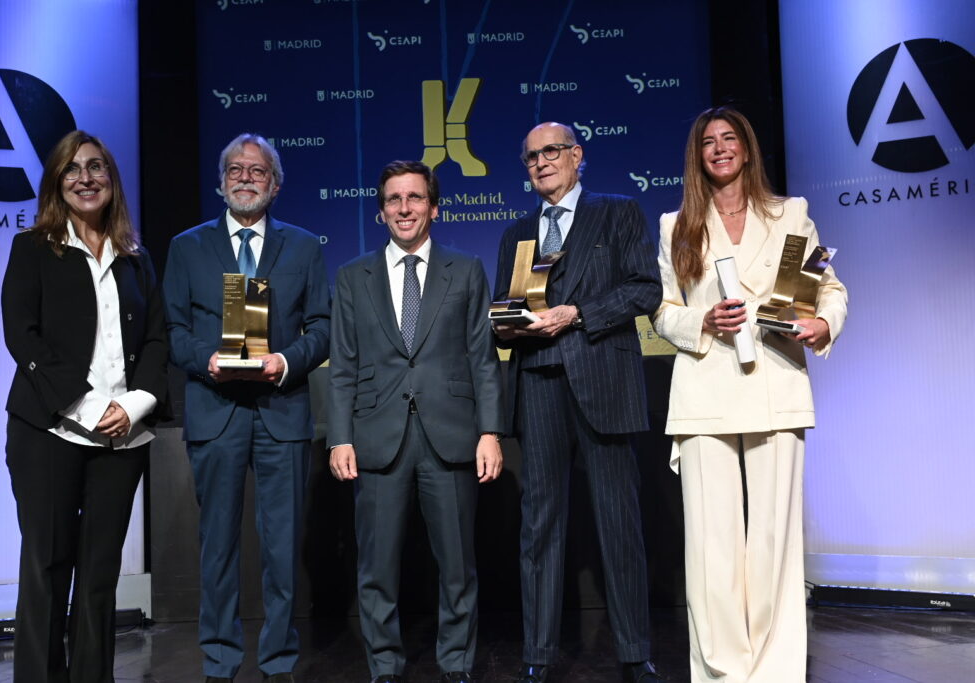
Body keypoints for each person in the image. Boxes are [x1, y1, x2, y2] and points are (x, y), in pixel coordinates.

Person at [652, 106, 848, 682]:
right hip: (706, 390)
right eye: (708, 142)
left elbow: (825, 287)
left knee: (773, 543)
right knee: (712, 548)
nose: (719, 149)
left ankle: (774, 671)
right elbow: (663, 311)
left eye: (729, 138)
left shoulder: (792, 216)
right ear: (698, 155)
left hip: (775, 383)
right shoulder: (676, 224)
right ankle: (721, 673)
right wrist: (702, 322)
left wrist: (823, 324)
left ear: (746, 147)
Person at [492, 123, 663, 683]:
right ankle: (538, 655)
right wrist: (508, 325)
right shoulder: (516, 232)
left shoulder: (618, 212)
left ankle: (635, 653)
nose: (542, 162)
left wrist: (576, 314)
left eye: (552, 152)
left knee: (620, 523)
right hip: (538, 383)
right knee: (539, 527)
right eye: (532, 156)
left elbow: (645, 289)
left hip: (604, 381)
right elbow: (504, 316)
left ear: (577, 156)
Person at [1, 130, 169, 682]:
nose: (85, 178)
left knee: (99, 577)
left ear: (111, 180)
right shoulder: (32, 249)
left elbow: (157, 341)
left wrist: (136, 403)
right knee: (48, 569)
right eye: (72, 170)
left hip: (123, 437)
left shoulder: (135, 258)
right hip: (47, 429)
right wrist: (93, 405)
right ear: (56, 183)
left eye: (96, 167)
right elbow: (22, 337)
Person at [162, 133, 330, 683]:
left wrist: (286, 360)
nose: (245, 177)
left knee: (282, 550)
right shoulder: (187, 247)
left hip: (282, 412)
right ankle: (219, 659)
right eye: (235, 169)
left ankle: (279, 661)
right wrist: (204, 359)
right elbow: (173, 330)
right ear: (220, 181)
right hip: (216, 410)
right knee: (218, 548)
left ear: (275, 184)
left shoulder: (304, 247)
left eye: (257, 170)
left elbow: (324, 328)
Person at [328, 161, 505, 683]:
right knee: (376, 569)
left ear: (434, 205)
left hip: (451, 438)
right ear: (381, 210)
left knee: (457, 567)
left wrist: (490, 431)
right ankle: (384, 665)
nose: (404, 209)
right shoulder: (351, 275)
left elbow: (483, 359)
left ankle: (456, 664)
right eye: (393, 200)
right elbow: (342, 366)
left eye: (414, 198)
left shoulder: (466, 269)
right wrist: (339, 437)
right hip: (377, 440)